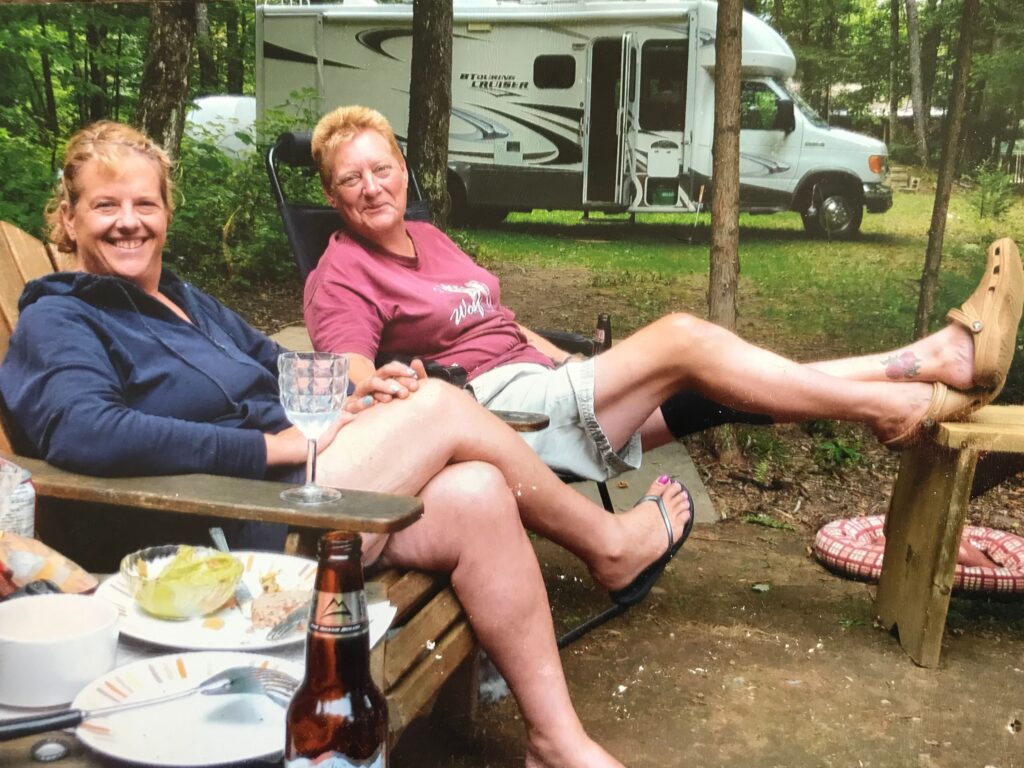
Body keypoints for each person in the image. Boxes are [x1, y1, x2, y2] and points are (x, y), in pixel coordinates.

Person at [0, 120, 696, 768]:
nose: (129, 222)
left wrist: (359, 387)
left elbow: (277, 362)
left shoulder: (187, 300)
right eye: (105, 206)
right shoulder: (61, 318)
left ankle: (555, 740)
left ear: (167, 212)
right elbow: (87, 429)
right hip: (227, 536)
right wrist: (270, 449)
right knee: (442, 406)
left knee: (478, 492)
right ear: (68, 219)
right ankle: (608, 544)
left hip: (292, 497)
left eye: (145, 204)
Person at [303, 105, 1023, 484]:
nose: (372, 187)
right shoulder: (339, 274)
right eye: (351, 179)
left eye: (382, 167)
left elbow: (499, 320)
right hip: (497, 419)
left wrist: (574, 359)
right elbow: (348, 380)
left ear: (403, 166)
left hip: (545, 386)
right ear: (333, 196)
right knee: (683, 336)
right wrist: (385, 384)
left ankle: (926, 363)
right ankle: (896, 399)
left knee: (713, 388)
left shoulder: (428, 238)